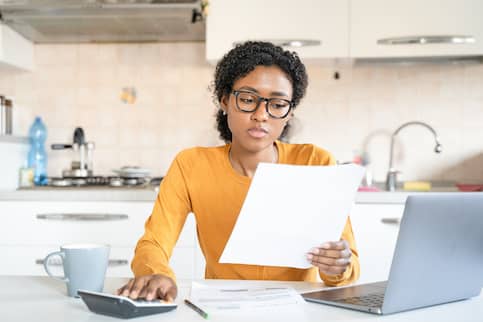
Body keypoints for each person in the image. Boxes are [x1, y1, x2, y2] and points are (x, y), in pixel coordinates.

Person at [117, 41, 360, 302]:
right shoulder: (191, 165)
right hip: (222, 307)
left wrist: (338, 265)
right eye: (247, 99)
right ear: (224, 100)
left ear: (289, 113)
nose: (261, 115)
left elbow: (349, 267)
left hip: (297, 308)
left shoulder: (315, 162)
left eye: (277, 104)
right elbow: (154, 243)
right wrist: (156, 273)